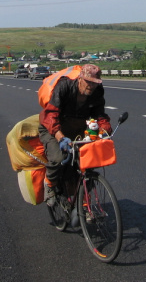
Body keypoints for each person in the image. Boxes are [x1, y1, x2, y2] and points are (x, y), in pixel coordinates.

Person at [39, 63, 111, 206]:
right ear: (80, 78)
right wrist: (60, 138)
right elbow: (50, 115)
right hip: (53, 128)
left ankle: (83, 199)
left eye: (95, 83)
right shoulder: (64, 86)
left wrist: (104, 131)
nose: (91, 86)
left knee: (88, 162)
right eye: (88, 82)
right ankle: (50, 184)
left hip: (78, 129)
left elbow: (100, 115)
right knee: (59, 157)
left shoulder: (97, 92)